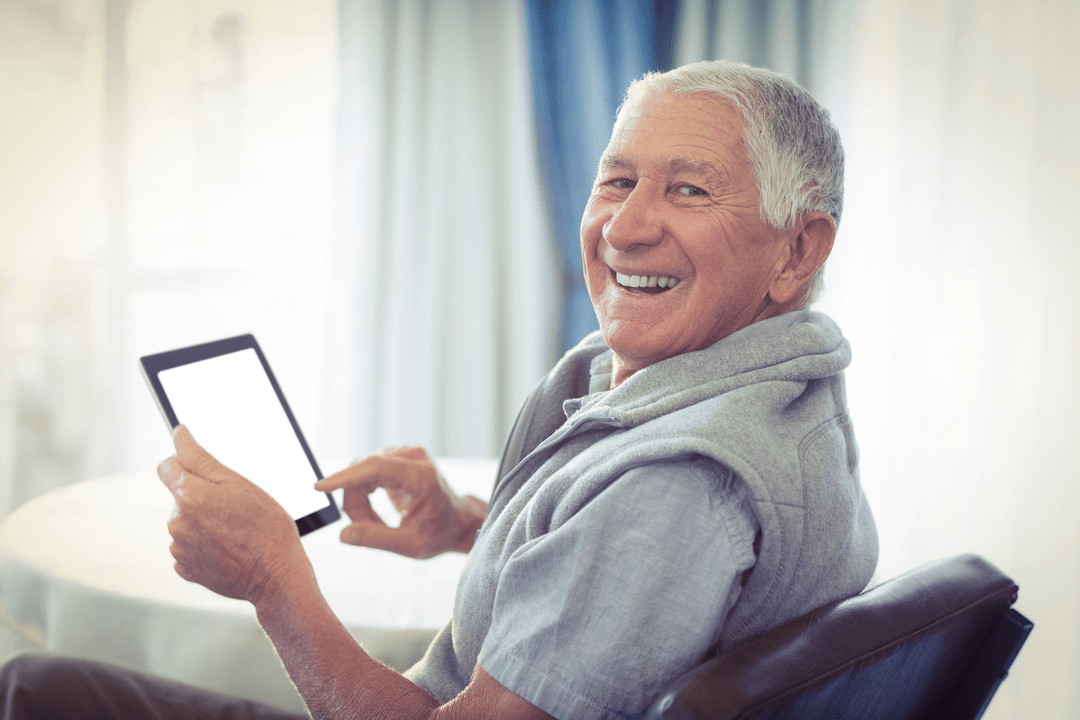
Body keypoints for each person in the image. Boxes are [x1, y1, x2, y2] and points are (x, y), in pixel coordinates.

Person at [0, 59, 877, 719]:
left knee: (36, 690)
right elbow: (625, 577)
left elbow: (640, 532)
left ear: (796, 251)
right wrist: (466, 524)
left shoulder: (681, 485)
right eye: (617, 178)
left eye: (688, 189)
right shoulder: (781, 391)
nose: (627, 225)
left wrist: (273, 579)